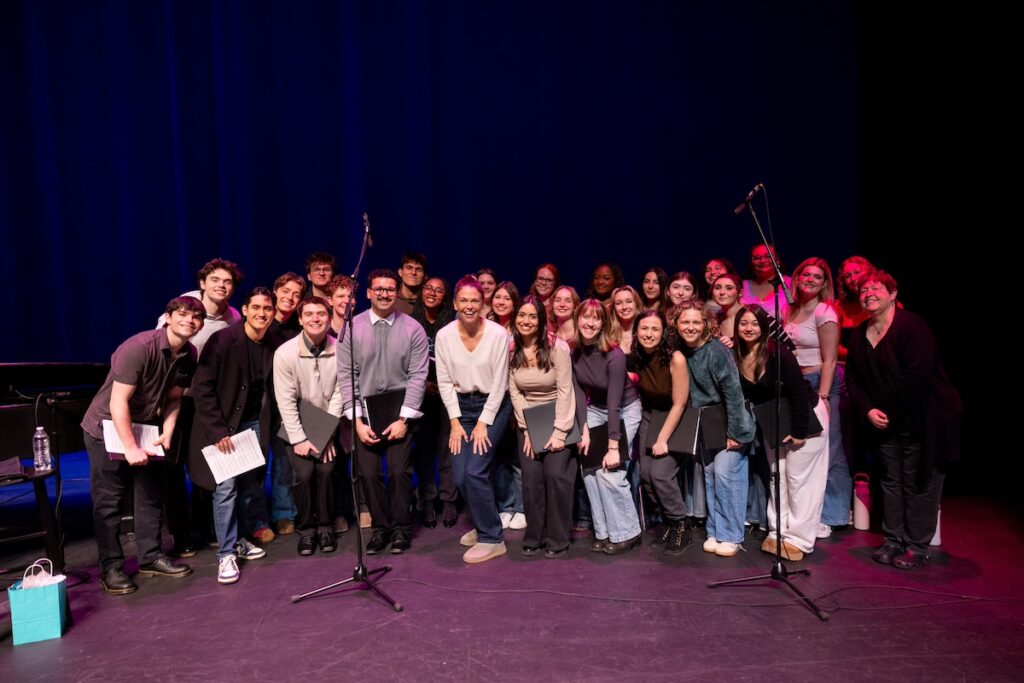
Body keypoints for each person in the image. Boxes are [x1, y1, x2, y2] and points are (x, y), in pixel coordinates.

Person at [81, 296, 205, 595]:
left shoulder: (189, 353)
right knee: (110, 501)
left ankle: (150, 558)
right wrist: (129, 446)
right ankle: (111, 567)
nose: (189, 320)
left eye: (196, 317)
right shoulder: (139, 347)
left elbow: (174, 398)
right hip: (106, 427)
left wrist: (169, 430)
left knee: (149, 495)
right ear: (168, 317)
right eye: (183, 314)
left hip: (145, 426)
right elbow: (118, 401)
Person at [846, 269, 961, 570]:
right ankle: (893, 539)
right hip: (883, 421)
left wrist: (888, 410)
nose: (869, 294)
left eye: (876, 289)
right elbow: (854, 379)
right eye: (864, 291)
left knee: (918, 481)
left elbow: (918, 376)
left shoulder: (912, 327)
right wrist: (868, 410)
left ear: (893, 294)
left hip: (923, 419)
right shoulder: (859, 334)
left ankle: (917, 545)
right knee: (891, 482)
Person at [189, 288, 280, 583]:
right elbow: (202, 389)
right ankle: (226, 554)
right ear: (245, 309)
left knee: (246, 485)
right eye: (256, 307)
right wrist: (218, 431)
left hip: (254, 425)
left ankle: (239, 539)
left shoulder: (273, 342)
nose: (262, 313)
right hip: (224, 428)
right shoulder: (224, 340)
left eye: (267, 308)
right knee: (225, 489)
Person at [338, 269, 429, 555]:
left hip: (400, 410)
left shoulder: (413, 328)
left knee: (400, 471)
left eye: (390, 289)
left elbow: (418, 375)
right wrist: (358, 422)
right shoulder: (352, 327)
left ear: (396, 293)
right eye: (379, 289)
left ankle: (401, 527)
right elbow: (347, 375)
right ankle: (380, 528)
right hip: (365, 412)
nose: (385, 294)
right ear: (368, 293)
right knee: (367, 473)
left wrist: (404, 420)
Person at [734, 305, 828, 560]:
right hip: (774, 420)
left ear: (764, 327)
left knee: (800, 480)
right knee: (778, 476)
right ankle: (778, 532)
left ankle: (799, 538)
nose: (749, 328)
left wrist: (799, 431)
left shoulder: (778, 353)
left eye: (754, 323)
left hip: (804, 418)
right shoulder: (738, 354)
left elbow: (798, 392)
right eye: (743, 323)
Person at [435, 276, 513, 564]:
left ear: (484, 304)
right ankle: (483, 523)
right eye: (464, 300)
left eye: (475, 301)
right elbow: (444, 382)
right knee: (459, 475)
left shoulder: (497, 334)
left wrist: (483, 423)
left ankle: (492, 538)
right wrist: (455, 422)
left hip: (491, 406)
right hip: (460, 408)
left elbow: (500, 383)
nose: (469, 306)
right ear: (455, 302)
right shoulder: (444, 336)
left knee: (475, 471)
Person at [676, 301, 755, 558]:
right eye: (685, 322)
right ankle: (715, 530)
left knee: (726, 474)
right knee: (710, 476)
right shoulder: (681, 351)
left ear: (706, 324)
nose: (690, 327)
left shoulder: (716, 350)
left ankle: (731, 535)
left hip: (728, 419)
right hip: (705, 422)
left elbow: (733, 393)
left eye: (696, 322)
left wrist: (737, 433)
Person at [785, 257, 850, 538]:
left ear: (825, 284)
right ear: (797, 278)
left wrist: (823, 396)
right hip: (797, 384)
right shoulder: (791, 310)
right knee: (807, 452)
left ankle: (834, 514)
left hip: (819, 382)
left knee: (831, 450)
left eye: (817, 277)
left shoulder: (825, 312)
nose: (810, 279)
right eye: (805, 274)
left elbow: (831, 359)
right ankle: (810, 512)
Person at [274, 296, 345, 556]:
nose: (316, 319)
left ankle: (325, 526)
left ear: (329, 318)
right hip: (296, 421)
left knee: (326, 472)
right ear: (300, 319)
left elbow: (340, 393)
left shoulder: (341, 349)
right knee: (304, 475)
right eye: (310, 314)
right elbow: (286, 401)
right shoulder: (285, 353)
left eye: (321, 314)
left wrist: (324, 433)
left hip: (325, 420)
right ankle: (306, 530)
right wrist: (301, 439)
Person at [508, 296, 577, 558]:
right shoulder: (512, 349)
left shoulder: (557, 347)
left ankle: (558, 538)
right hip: (530, 419)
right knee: (532, 478)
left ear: (541, 320)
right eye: (522, 316)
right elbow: (514, 391)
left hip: (560, 415)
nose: (526, 321)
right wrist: (527, 429)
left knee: (556, 475)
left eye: (532, 316)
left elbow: (565, 390)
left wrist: (559, 431)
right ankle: (534, 536)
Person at [573, 299, 642, 555]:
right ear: (577, 319)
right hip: (596, 409)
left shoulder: (614, 355)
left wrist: (613, 446)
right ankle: (603, 531)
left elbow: (615, 404)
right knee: (589, 468)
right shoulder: (575, 352)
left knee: (609, 470)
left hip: (625, 409)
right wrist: (583, 429)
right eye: (585, 317)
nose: (590, 323)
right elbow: (579, 393)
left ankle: (628, 531)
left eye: (596, 318)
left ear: (603, 323)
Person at [633, 309, 692, 555]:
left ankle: (680, 525)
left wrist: (662, 440)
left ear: (663, 332)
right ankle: (667, 520)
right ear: (636, 332)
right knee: (645, 474)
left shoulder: (675, 358)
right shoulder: (637, 356)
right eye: (644, 328)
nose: (649, 334)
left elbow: (679, 403)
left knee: (660, 473)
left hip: (677, 417)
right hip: (651, 415)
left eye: (655, 329)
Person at [411, 277, 459, 528]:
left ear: (446, 296)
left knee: (447, 448)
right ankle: (427, 499)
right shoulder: (410, 321)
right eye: (428, 288)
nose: (432, 293)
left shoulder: (453, 323)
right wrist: (422, 385)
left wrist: (445, 385)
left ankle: (448, 499)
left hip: (447, 393)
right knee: (424, 450)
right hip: (418, 395)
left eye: (439, 290)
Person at [395, 251, 428, 315]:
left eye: (419, 270)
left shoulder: (428, 302)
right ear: (400, 272)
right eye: (409, 268)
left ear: (425, 276)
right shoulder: (390, 297)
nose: (413, 273)